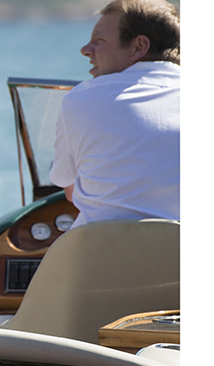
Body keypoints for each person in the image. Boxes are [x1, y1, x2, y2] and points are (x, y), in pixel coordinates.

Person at [49, 0, 180, 228]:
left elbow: (69, 190)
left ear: (139, 46)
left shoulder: (82, 99)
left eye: (99, 40)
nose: (85, 49)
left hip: (98, 257)